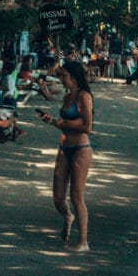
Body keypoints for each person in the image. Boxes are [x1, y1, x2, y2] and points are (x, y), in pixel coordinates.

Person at [33, 59, 94, 250]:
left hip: (80, 149)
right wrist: (52, 121)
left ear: (74, 77)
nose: (60, 79)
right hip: (64, 147)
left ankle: (83, 241)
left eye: (63, 76)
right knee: (58, 197)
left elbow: (87, 127)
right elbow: (63, 122)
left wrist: (61, 124)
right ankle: (68, 216)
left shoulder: (83, 97)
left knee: (77, 196)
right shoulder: (68, 97)